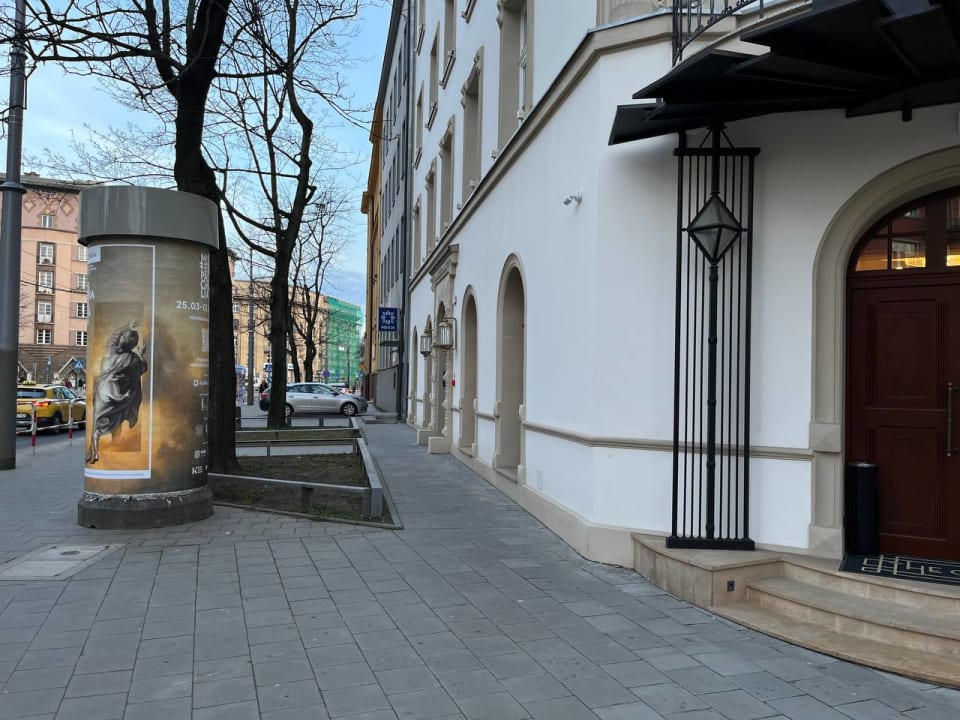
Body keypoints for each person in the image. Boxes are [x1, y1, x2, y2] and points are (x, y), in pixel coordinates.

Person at [85, 325, 148, 464]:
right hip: (120, 397)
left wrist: (127, 325)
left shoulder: (110, 352)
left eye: (122, 337)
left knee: (97, 423)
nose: (120, 338)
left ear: (123, 340)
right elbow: (141, 369)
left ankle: (94, 451)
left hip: (103, 393)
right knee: (117, 422)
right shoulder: (133, 359)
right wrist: (141, 356)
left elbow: (113, 337)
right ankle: (114, 448)